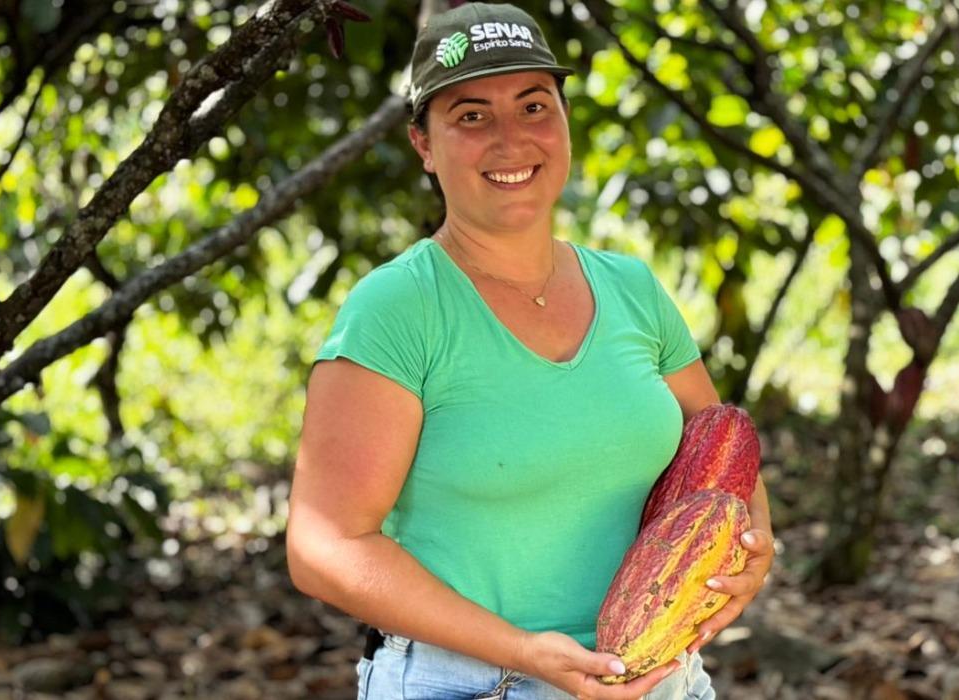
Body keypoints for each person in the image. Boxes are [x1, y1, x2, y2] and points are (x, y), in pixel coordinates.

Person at [285, 3, 775, 698]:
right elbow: (323, 548)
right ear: (424, 144)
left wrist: (756, 547)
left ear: (565, 122)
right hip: (474, 683)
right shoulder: (396, 311)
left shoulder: (631, 288)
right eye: (472, 116)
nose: (512, 140)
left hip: (658, 676)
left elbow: (723, 450)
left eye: (534, 105)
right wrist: (526, 652)